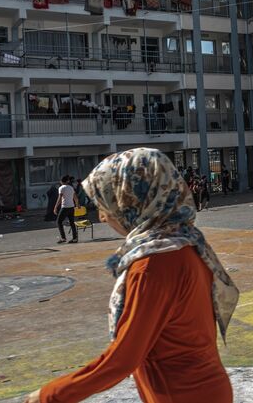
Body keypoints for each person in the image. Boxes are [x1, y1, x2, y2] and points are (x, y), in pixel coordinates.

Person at [24, 148, 238, 403]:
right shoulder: (188, 245)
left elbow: (123, 359)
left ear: (134, 201)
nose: (103, 217)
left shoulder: (154, 264)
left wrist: (49, 395)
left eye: (108, 203)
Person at [54, 175, 79, 244]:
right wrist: (77, 205)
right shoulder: (71, 188)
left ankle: (63, 238)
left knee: (59, 222)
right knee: (72, 222)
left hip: (65, 207)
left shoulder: (61, 188)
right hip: (71, 207)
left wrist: (55, 207)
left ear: (61, 181)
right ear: (67, 181)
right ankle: (74, 238)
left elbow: (59, 198)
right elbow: (75, 198)